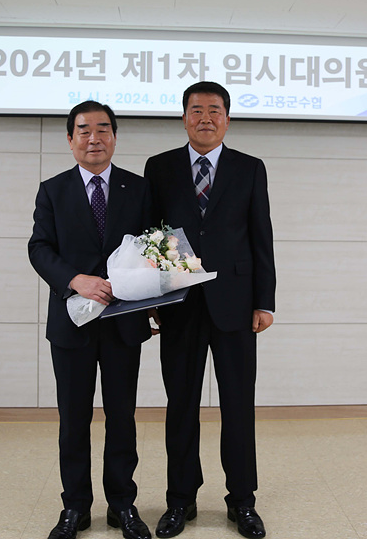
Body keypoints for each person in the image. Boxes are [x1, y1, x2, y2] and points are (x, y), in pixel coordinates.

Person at [143, 82, 276, 539]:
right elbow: (149, 238)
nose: (205, 118)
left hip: (236, 304)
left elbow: (261, 236)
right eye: (196, 110)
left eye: (214, 110)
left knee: (239, 406)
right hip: (179, 304)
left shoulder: (249, 168)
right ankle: (180, 500)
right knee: (181, 406)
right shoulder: (159, 167)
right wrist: (151, 300)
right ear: (184, 118)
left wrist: (264, 301)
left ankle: (242, 501)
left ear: (227, 118)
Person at [28, 101, 153, 539]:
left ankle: (122, 505)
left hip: (123, 322)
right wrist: (74, 279)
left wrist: (146, 293)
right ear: (70, 139)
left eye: (103, 129)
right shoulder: (52, 190)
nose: (94, 138)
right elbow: (39, 248)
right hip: (72, 324)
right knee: (73, 419)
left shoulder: (139, 188)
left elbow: (151, 248)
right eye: (84, 130)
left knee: (122, 417)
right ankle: (75, 507)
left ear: (115, 137)